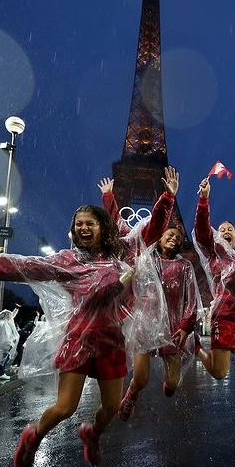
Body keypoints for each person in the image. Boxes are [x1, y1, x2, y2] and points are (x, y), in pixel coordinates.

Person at [0, 172, 174, 467]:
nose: (84, 228)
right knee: (65, 407)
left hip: (111, 342)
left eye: (90, 223)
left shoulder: (122, 253)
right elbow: (16, 266)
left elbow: (150, 232)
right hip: (80, 341)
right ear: (73, 231)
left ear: (103, 227)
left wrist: (166, 199)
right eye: (79, 224)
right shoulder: (66, 262)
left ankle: (93, 434)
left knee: (112, 408)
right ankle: (33, 437)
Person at [98, 169, 194, 419]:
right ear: (157, 239)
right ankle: (131, 395)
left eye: (177, 236)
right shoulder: (142, 258)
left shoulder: (184, 266)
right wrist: (109, 198)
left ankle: (167, 384)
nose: (173, 238)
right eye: (169, 234)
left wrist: (186, 325)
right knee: (140, 378)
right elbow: (119, 229)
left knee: (174, 383)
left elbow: (192, 300)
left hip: (172, 325)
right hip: (145, 322)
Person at [192, 177, 235, 380]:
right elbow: (202, 231)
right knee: (219, 373)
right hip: (223, 315)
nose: (225, 232)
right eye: (221, 230)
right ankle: (197, 347)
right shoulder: (215, 254)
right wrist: (204, 200)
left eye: (230, 229)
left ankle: (233, 347)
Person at [0, 308, 20, 380]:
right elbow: (6, 334)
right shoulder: (4, 323)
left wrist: (16, 309)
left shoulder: (2, 322)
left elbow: (12, 316)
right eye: (9, 315)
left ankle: (2, 373)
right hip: (5, 344)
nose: (11, 317)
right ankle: (1, 373)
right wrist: (10, 343)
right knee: (4, 359)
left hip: (3, 343)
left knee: (5, 358)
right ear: (6, 315)